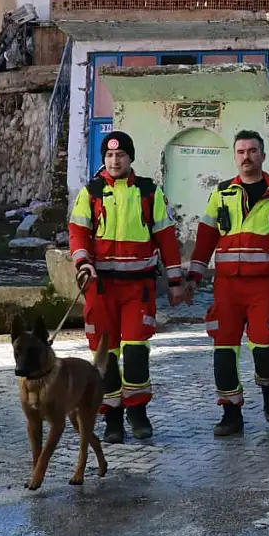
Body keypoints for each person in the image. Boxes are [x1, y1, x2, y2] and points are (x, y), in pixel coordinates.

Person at [186, 131, 269, 437]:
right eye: (241, 151)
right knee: (223, 349)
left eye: (253, 150)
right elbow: (206, 236)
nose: (247, 156)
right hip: (227, 287)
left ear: (262, 155)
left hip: (263, 285)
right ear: (235, 156)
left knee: (264, 345)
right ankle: (231, 413)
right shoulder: (222, 193)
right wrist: (193, 276)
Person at [68, 131, 186, 444]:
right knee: (105, 356)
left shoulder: (149, 192)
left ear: (130, 158)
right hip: (101, 287)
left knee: (135, 352)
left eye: (120, 155)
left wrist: (176, 281)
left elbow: (167, 238)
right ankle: (112, 418)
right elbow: (78, 233)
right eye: (109, 155)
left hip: (139, 287)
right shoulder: (91, 192)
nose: (114, 160)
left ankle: (137, 412)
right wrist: (83, 263)